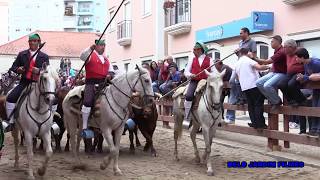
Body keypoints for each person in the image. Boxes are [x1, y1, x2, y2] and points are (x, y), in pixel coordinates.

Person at [3, 33, 49, 132]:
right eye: (30, 41)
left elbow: (47, 71)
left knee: (53, 100)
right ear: (28, 42)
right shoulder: (22, 54)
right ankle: (11, 122)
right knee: (10, 98)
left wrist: (39, 71)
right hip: (25, 82)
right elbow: (13, 67)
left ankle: (51, 121)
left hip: (39, 84)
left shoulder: (44, 56)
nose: (32, 42)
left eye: (35, 41)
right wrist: (18, 69)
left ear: (39, 42)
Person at [79, 39, 113, 138]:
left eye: (104, 45)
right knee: (88, 101)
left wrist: (110, 75)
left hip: (104, 84)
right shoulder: (90, 55)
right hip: (91, 83)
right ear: (96, 46)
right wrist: (90, 49)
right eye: (101, 45)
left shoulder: (106, 59)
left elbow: (111, 71)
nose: (103, 47)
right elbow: (82, 56)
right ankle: (85, 126)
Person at [234, 48, 269, 129]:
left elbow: (237, 77)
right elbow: (259, 67)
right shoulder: (248, 60)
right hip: (254, 84)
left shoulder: (237, 63)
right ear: (247, 52)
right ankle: (260, 124)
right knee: (258, 105)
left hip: (244, 87)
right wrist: (268, 67)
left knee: (251, 105)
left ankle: (254, 123)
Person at [182, 42, 215, 128]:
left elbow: (214, 71)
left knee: (216, 96)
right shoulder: (191, 59)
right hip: (195, 80)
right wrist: (190, 75)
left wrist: (210, 74)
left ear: (201, 50)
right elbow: (186, 71)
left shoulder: (210, 59)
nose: (194, 51)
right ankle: (187, 117)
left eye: (196, 50)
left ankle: (217, 116)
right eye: (194, 49)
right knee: (189, 96)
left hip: (206, 80)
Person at [255, 35, 287, 110]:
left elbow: (266, 62)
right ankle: (272, 100)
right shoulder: (276, 51)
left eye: (272, 42)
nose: (271, 43)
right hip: (275, 72)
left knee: (267, 85)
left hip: (282, 73)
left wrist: (254, 58)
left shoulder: (281, 52)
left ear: (277, 42)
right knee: (258, 83)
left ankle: (277, 101)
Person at [295, 48, 320, 136]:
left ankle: (318, 130)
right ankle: (314, 129)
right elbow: (308, 75)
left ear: (302, 57)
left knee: (318, 108)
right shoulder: (306, 64)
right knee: (314, 108)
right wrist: (302, 77)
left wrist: (307, 77)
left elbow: (314, 76)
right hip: (315, 89)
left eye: (297, 57)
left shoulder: (316, 63)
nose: (296, 59)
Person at [277, 39, 306, 106]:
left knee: (291, 84)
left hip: (299, 73)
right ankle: (291, 100)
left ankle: (302, 100)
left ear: (291, 47)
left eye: (285, 47)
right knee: (281, 84)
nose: (284, 49)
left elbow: (306, 61)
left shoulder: (300, 51)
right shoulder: (287, 53)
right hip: (289, 74)